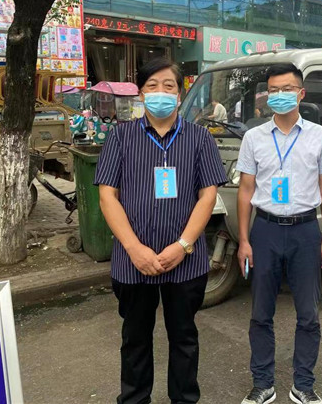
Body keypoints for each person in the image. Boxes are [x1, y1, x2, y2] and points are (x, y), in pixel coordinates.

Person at [95, 57, 228, 404]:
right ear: (141, 93)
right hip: (132, 262)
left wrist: (182, 245)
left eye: (169, 86)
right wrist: (134, 248)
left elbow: (208, 196)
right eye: (152, 86)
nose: (160, 92)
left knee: (184, 337)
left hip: (185, 261)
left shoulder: (200, 138)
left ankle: (184, 399)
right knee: (135, 339)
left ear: (180, 94)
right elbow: (107, 196)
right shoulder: (120, 137)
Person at [236, 63, 322, 404]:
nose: (279, 95)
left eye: (287, 89)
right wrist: (244, 240)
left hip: (305, 231)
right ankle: (263, 384)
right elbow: (245, 190)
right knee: (260, 313)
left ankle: (303, 385)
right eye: (273, 90)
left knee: (308, 314)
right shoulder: (253, 137)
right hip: (265, 230)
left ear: (301, 93)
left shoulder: (319, 136)